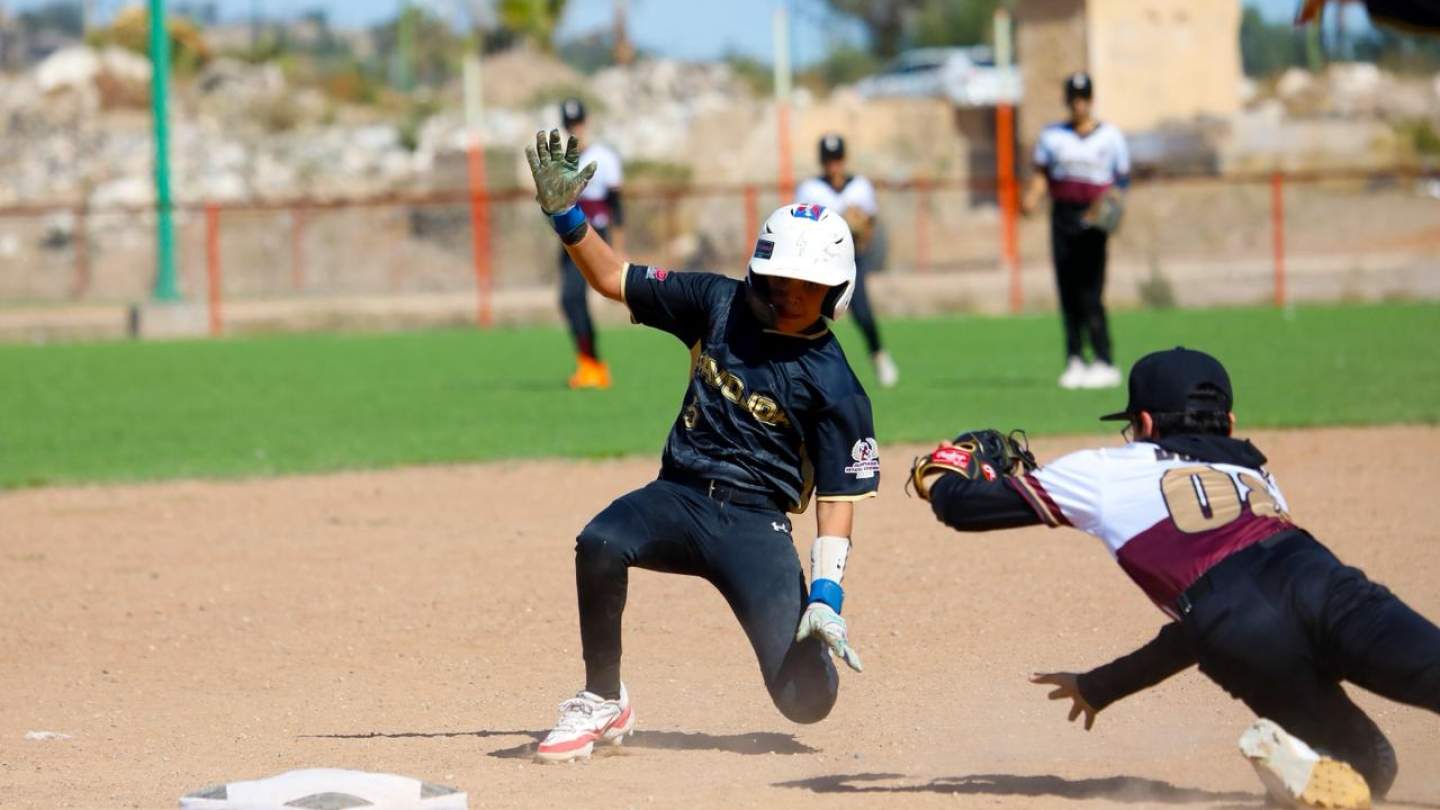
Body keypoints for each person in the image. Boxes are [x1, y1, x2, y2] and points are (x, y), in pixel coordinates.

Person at [908, 347, 1440, 808]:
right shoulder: (1254, 474)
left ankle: (1297, 765)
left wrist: (941, 472)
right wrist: (1103, 685)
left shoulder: (1104, 472)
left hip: (1234, 628)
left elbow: (965, 508)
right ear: (1228, 421)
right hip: (1327, 585)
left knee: (1369, 766)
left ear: (1143, 423)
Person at [524, 130, 877, 762]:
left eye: (807, 283)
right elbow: (610, 277)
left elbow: (837, 498)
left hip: (756, 525)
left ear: (836, 290)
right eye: (779, 277)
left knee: (807, 700)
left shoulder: (836, 385)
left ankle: (807, 651)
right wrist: (566, 216)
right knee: (600, 542)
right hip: (678, 495)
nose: (789, 291)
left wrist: (827, 593)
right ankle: (602, 698)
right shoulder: (718, 302)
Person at [1023, 72, 1130, 390]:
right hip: (1063, 217)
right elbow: (1042, 175)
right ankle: (1074, 358)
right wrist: (1032, 197)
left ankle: (1104, 359)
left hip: (1094, 220)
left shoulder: (1110, 137)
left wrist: (1111, 206)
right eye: (1073, 98)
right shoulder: (1053, 136)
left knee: (1091, 291)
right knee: (1067, 290)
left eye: (1083, 98)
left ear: (1091, 100)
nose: (1078, 104)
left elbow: (1121, 180)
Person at [796, 134, 899, 388]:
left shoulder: (859, 186)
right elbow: (800, 226)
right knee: (815, 317)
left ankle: (878, 354)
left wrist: (861, 229)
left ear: (843, 159)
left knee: (862, 313)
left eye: (837, 159)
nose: (833, 165)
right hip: (818, 262)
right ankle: (816, 369)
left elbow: (870, 224)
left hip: (850, 259)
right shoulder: (810, 189)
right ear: (822, 162)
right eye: (829, 160)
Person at [556, 98, 625, 389]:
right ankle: (589, 364)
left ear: (586, 122)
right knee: (570, 299)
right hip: (569, 237)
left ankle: (593, 365)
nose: (575, 129)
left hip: (596, 234)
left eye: (578, 123)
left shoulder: (604, 158)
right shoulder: (563, 162)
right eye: (569, 125)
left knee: (577, 296)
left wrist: (618, 248)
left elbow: (616, 206)